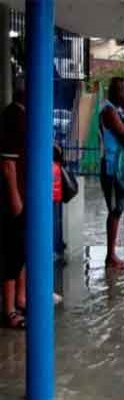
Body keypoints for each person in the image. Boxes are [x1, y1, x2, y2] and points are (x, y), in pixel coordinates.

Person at [0, 80, 27, 329]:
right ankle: (8, 310)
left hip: (23, 195)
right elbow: (7, 165)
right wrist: (15, 199)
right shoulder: (12, 118)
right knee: (11, 253)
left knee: (20, 251)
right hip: (13, 200)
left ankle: (20, 298)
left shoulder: (22, 116)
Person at [100, 77, 124, 269]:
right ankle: (110, 255)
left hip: (117, 166)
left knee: (118, 209)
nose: (123, 94)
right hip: (111, 166)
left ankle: (113, 254)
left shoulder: (116, 110)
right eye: (120, 90)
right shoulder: (109, 111)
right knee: (115, 209)